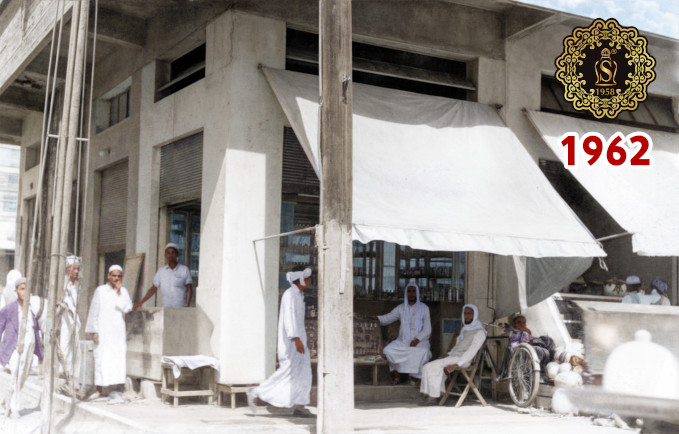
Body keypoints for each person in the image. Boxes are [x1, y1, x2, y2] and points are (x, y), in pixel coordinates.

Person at [248, 266, 313, 417]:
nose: (310, 281)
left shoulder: (299, 295)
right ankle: (256, 392)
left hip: (299, 340)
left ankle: (300, 406)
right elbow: (289, 319)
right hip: (292, 342)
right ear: (301, 279)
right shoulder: (289, 295)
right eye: (308, 279)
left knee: (304, 373)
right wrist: (296, 339)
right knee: (286, 372)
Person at [418, 304, 486, 405]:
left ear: (475, 315)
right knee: (428, 366)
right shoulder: (465, 329)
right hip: (454, 357)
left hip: (463, 360)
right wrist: (448, 354)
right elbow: (456, 347)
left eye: (469, 313)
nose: (466, 316)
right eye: (465, 313)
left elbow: (471, 351)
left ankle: (433, 397)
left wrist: (457, 364)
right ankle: (437, 393)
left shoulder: (480, 332)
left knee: (430, 367)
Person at [85, 265, 133, 401]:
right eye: (114, 275)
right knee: (101, 358)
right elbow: (94, 310)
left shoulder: (123, 291)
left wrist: (118, 292)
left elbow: (127, 308)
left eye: (119, 276)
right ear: (108, 276)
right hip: (103, 331)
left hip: (117, 332)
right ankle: (99, 390)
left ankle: (117, 390)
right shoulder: (100, 290)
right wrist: (93, 331)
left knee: (117, 358)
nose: (116, 278)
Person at [0, 277, 43, 418]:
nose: (24, 292)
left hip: (30, 346)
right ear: (16, 291)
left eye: (27, 289)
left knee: (23, 376)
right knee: (16, 375)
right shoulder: (9, 309)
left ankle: (6, 401)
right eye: (22, 289)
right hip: (15, 347)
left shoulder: (32, 308)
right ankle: (14, 409)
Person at [376, 281, 431, 385]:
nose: (411, 294)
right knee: (388, 350)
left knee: (423, 352)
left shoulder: (424, 308)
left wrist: (417, 340)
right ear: (406, 293)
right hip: (403, 341)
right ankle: (399, 375)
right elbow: (387, 318)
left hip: (420, 342)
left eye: (413, 291)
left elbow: (427, 329)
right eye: (409, 291)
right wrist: (374, 319)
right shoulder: (401, 308)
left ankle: (414, 377)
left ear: (417, 293)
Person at [134, 243, 193, 309]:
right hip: (166, 307)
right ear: (165, 255)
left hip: (180, 307)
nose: (171, 255)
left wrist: (187, 305)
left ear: (177, 255)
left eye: (173, 253)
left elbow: (189, 289)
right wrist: (141, 302)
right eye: (168, 253)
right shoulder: (161, 271)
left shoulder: (184, 269)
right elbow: (153, 289)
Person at [57, 256, 82, 394]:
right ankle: (64, 377)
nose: (76, 272)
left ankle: (74, 378)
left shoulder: (77, 284)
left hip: (75, 319)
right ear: (67, 269)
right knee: (65, 346)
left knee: (76, 349)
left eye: (77, 269)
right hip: (66, 318)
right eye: (74, 269)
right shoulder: (63, 284)